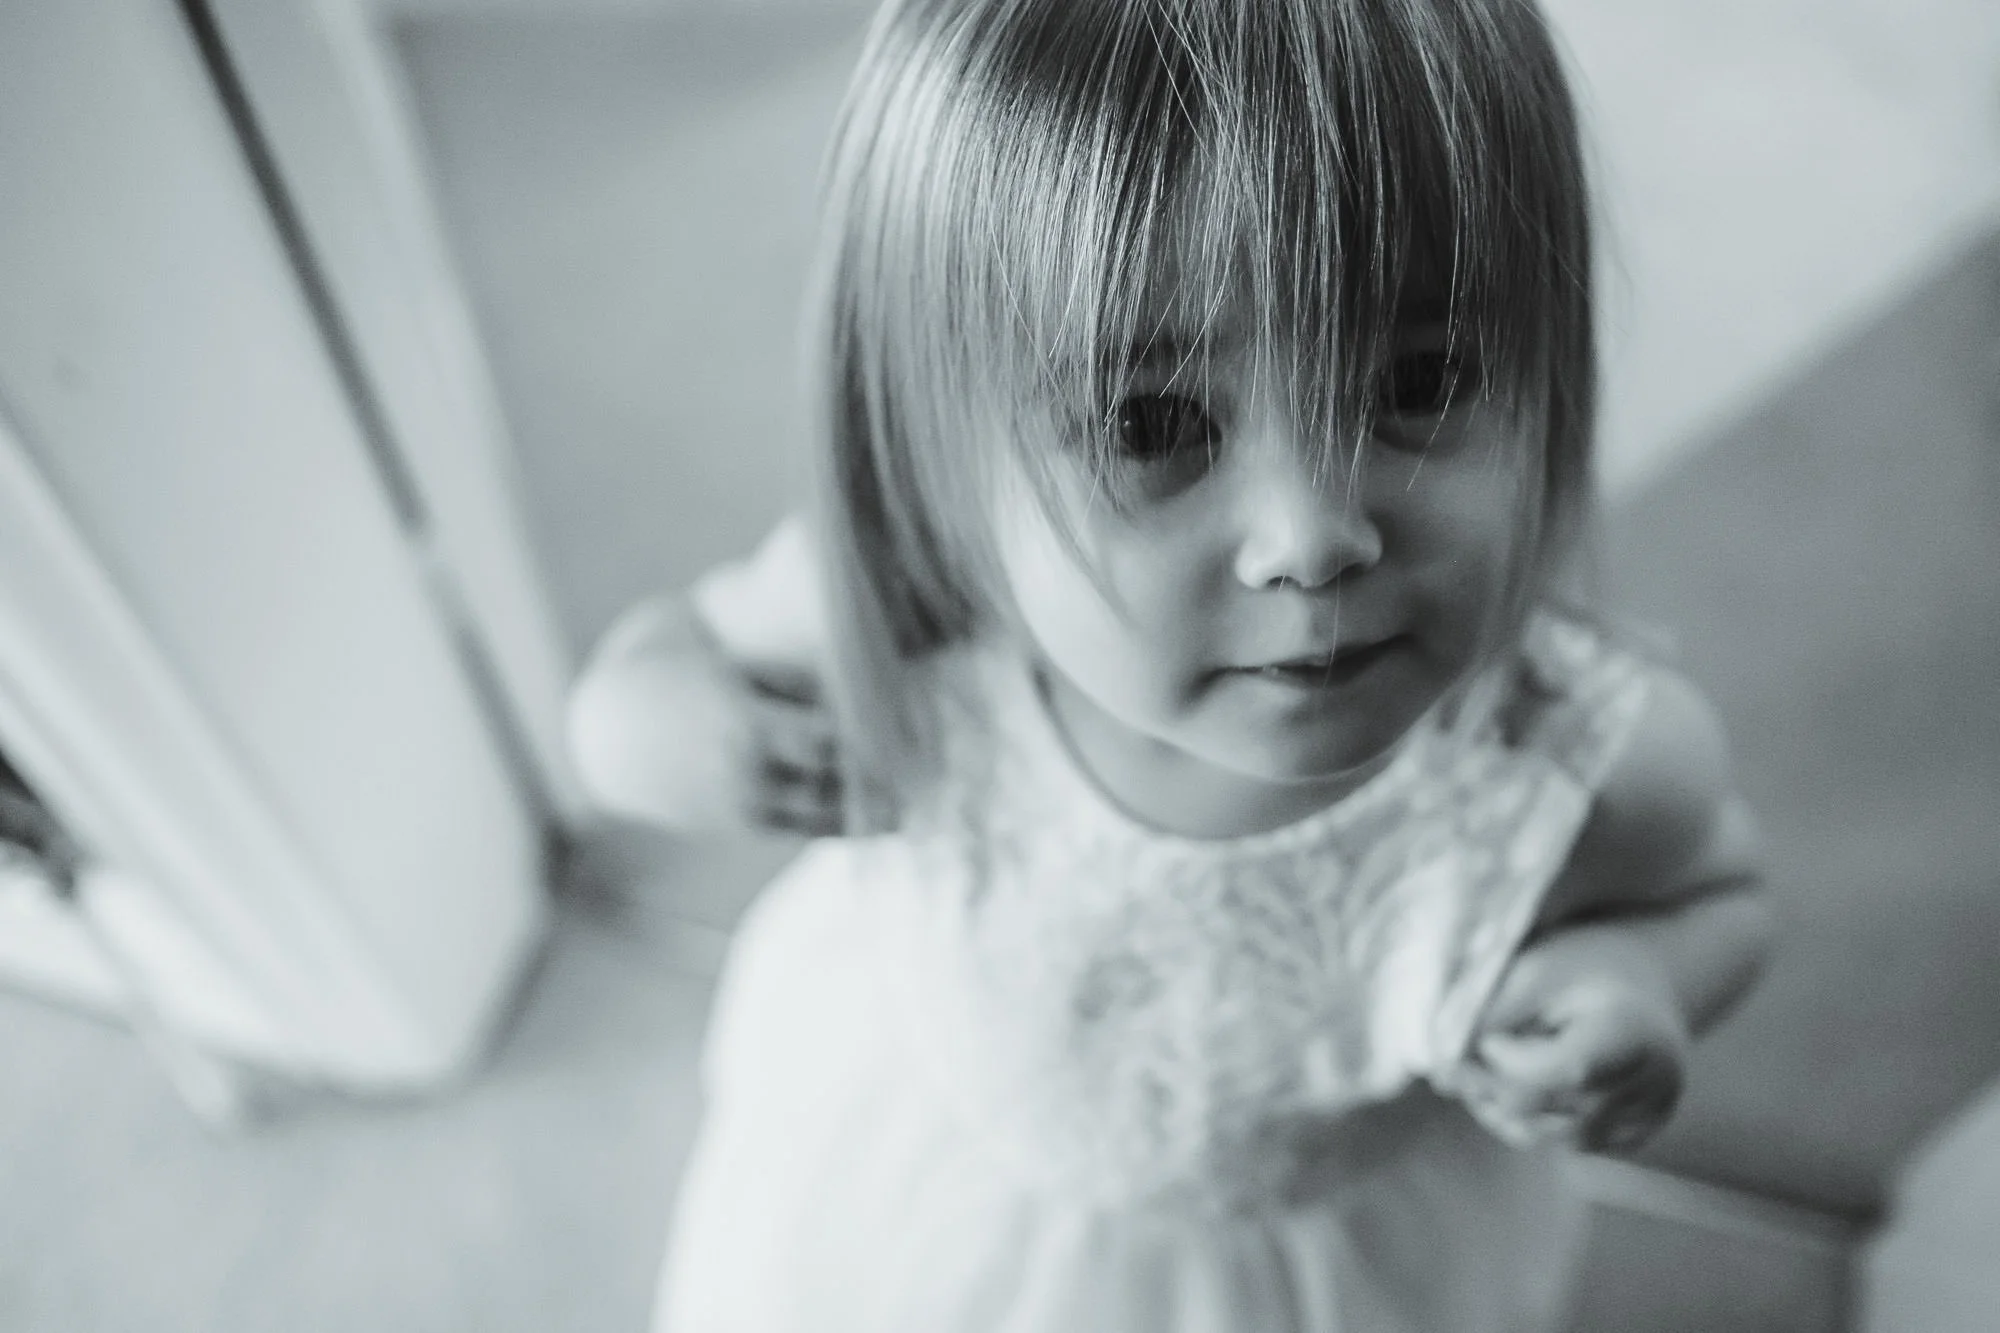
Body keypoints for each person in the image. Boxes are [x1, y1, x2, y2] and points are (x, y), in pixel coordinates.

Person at [567, 0, 1775, 1327]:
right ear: (935, 456)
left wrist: (1643, 986)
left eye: (1422, 382)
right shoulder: (933, 596)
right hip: (933, 1190)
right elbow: (655, 667)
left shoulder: (1562, 759)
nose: (1315, 537)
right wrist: (653, 727)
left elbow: (1720, 888)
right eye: (1156, 420)